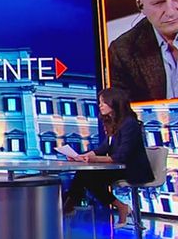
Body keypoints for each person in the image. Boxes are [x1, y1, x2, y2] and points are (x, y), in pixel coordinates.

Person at [62, 87, 154, 227]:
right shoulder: (113, 123)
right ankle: (72, 203)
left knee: (87, 176)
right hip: (119, 167)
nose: (100, 106)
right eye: (99, 102)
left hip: (133, 169)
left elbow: (121, 156)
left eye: (103, 102)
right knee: (84, 173)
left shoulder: (130, 124)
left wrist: (94, 160)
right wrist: (81, 157)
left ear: (114, 102)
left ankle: (70, 204)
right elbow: (103, 148)